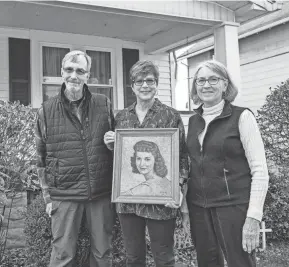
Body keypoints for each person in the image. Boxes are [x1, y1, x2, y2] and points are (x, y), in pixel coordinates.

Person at [104, 60, 189, 267]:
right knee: (133, 257)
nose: (145, 85)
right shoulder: (122, 117)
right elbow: (121, 158)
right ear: (132, 86)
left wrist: (177, 188)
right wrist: (110, 145)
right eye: (139, 81)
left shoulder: (170, 116)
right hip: (128, 198)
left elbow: (182, 157)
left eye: (150, 80)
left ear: (157, 83)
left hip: (161, 198)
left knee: (164, 257)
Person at [185, 60, 269, 267]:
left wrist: (253, 217)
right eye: (201, 80)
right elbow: (191, 165)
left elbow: (259, 170)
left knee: (240, 262)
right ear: (195, 86)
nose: (206, 85)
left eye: (214, 79)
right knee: (207, 262)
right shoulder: (193, 121)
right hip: (199, 206)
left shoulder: (242, 117)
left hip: (233, 206)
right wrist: (185, 208)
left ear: (225, 85)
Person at [34, 50, 115, 267]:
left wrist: (114, 144)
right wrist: (48, 198)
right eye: (69, 70)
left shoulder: (104, 104)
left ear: (88, 75)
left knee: (102, 254)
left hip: (100, 192)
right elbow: (41, 158)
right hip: (64, 193)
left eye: (80, 71)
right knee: (62, 256)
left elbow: (118, 147)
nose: (74, 76)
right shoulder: (46, 110)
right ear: (61, 72)